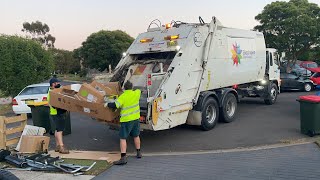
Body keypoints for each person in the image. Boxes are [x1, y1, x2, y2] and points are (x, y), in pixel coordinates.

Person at [105, 81, 142, 165]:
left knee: (123, 138)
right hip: (136, 119)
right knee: (136, 135)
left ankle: (123, 158)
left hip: (126, 120)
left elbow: (115, 105)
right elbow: (139, 90)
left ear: (124, 88)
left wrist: (107, 104)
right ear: (131, 87)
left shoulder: (123, 96)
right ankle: (139, 153)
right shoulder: (136, 93)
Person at [47, 78, 69, 154]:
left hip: (54, 113)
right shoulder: (53, 92)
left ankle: (57, 146)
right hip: (57, 113)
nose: (58, 84)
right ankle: (62, 147)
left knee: (57, 129)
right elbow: (55, 103)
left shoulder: (50, 91)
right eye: (57, 83)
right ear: (53, 84)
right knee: (60, 130)